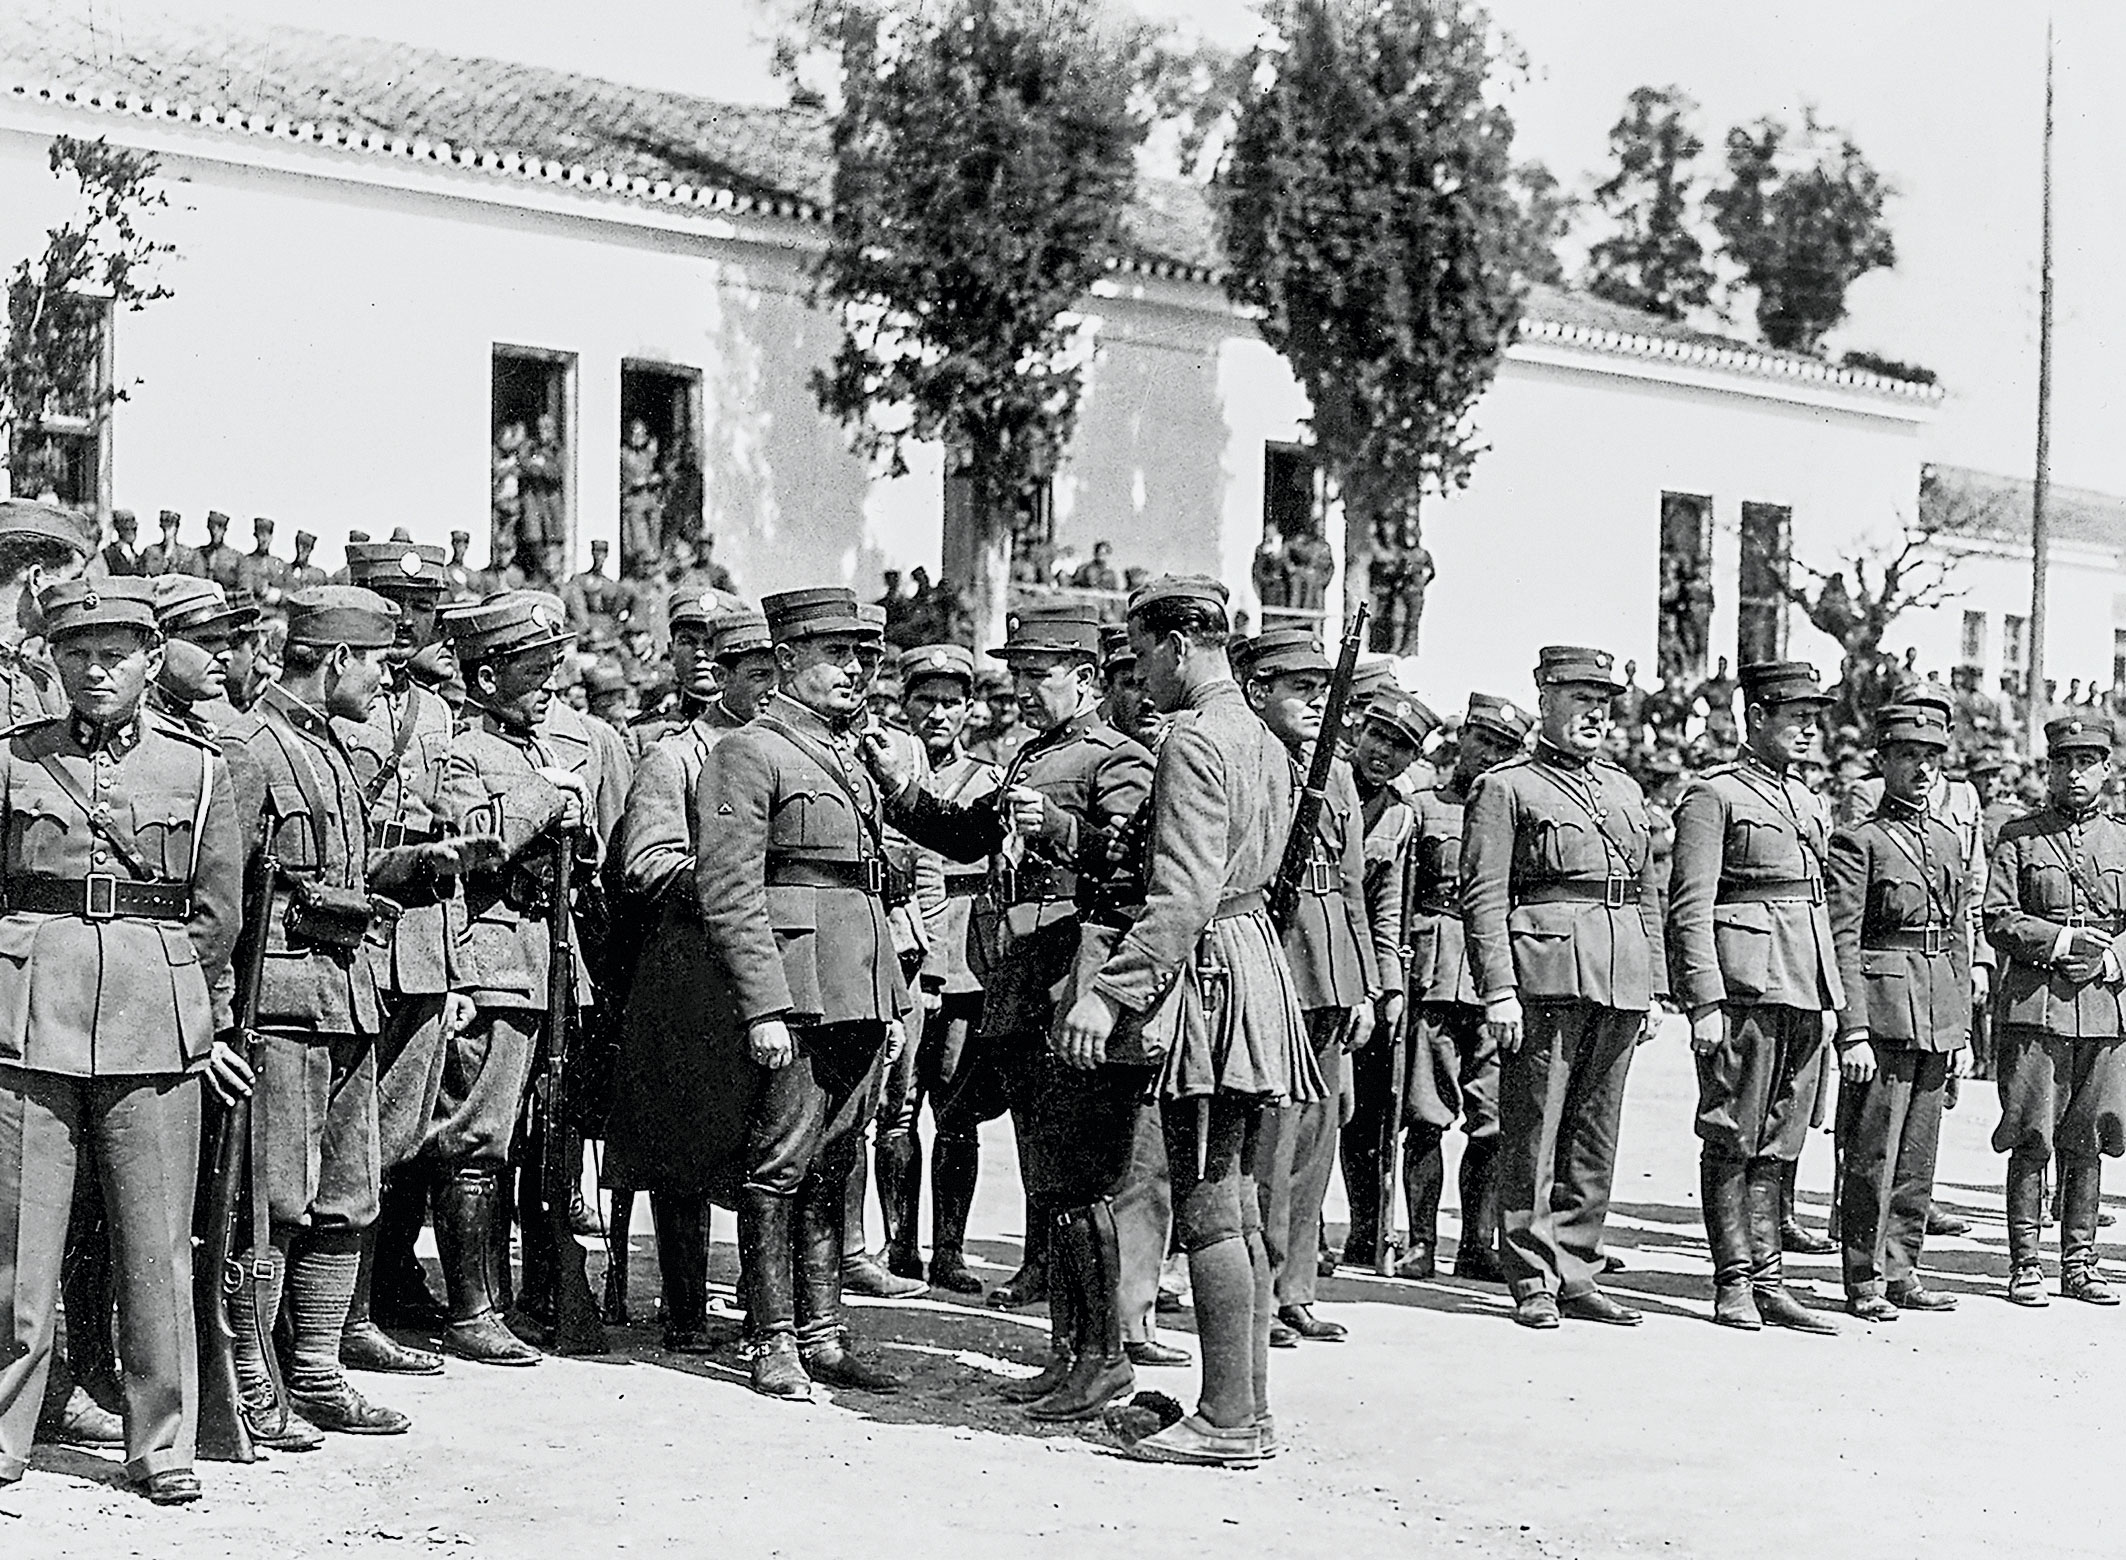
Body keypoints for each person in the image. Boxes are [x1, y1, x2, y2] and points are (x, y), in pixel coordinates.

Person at [1051, 575, 1312, 1468]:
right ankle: (1247, 1410)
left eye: (1142, 654)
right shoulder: (1262, 736)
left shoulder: (1197, 738)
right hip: (1248, 960)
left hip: (1208, 977)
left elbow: (1182, 896)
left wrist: (1109, 993)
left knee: (1207, 1205)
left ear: (1176, 644)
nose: (1141, 674)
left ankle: (1227, 1419)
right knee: (1233, 1200)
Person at [874, 607, 1155, 1417]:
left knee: (1083, 1181)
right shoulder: (1032, 755)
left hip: (1075, 984)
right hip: (1024, 984)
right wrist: (899, 791)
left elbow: (1139, 866)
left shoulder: (1119, 758)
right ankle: (1069, 1354)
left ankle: (1102, 1358)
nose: (1023, 690)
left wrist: (1061, 827)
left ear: (1087, 679)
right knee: (1050, 1179)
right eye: (1019, 675)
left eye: (1040, 675)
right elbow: (968, 837)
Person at [0, 575, 243, 1505]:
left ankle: (160, 1445)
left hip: (154, 1018)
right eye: (77, 655)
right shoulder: (16, 760)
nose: (96, 672)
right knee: (19, 1245)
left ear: (151, 661)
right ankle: (7, 1432)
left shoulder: (200, 769)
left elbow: (216, 912)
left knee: (155, 1248)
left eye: (115, 655)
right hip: (29, 1015)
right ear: (54, 661)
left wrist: (192, 1007)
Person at [693, 586, 915, 1399]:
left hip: (858, 987)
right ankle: (772, 1339)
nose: (854, 670)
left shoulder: (850, 754)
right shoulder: (748, 752)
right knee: (779, 1165)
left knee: (835, 1161)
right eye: (836, 655)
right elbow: (730, 890)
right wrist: (764, 1005)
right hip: (798, 990)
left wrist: (890, 998)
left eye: (860, 656)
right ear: (786, 660)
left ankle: (823, 1334)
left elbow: (867, 885)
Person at [221, 586, 413, 1437]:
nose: (383, 682)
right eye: (375, 665)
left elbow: (341, 871)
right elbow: (222, 901)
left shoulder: (329, 746)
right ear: (337, 660)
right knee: (275, 1200)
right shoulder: (252, 750)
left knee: (347, 1195)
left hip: (346, 1000)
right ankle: (252, 1383)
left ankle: (318, 1374)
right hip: (280, 1008)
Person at [1461, 645, 1666, 1330]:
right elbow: (1484, 897)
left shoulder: (1624, 789)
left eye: (1602, 702)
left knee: (1595, 1133)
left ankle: (1577, 1267)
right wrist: (1498, 989)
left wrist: (1654, 985)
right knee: (1534, 1131)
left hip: (1620, 973)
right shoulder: (1507, 787)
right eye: (1580, 698)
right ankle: (1530, 1274)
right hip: (1544, 975)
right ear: (1544, 699)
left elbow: (1645, 892)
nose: (1594, 714)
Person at [602, 601, 778, 1350]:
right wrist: (735, 885)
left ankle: (770, 1310)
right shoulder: (676, 758)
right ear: (723, 678)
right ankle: (685, 1314)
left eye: (777, 673)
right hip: (694, 973)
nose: (770, 689)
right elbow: (645, 865)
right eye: (756, 675)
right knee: (684, 1149)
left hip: (770, 967)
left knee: (770, 1142)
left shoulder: (791, 753)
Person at [328, 542, 481, 1372]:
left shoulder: (436, 712)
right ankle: (330, 1323)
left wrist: (453, 964)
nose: (414, 624)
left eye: (423, 610)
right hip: (353, 928)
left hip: (418, 938)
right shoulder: (339, 701)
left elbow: (450, 831)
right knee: (340, 1138)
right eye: (396, 605)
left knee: (397, 1137)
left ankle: (367, 1306)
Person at [433, 594, 593, 1366]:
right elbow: (476, 845)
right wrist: (546, 797)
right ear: (487, 677)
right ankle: (473, 1309)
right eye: (533, 675)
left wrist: (575, 820)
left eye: (552, 674)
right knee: (477, 1135)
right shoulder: (460, 752)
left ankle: (518, 1298)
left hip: (549, 958)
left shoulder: (540, 750)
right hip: (494, 960)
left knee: (537, 1136)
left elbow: (581, 858)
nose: (548, 689)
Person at [1666, 662, 1842, 1335]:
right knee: (1732, 1133)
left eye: (1813, 718)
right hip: (1746, 986)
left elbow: (1819, 902)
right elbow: (1691, 906)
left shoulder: (1807, 799)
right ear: (1757, 718)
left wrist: (1831, 996)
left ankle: (1769, 1279)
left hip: (1804, 980)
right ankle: (1733, 1281)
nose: (1808, 729)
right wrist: (1704, 1001)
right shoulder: (1714, 795)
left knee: (1781, 1137)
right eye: (1795, 717)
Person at [1239, 628, 1384, 1347]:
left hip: (1329, 971)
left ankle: (1297, 1289)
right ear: (1257, 691)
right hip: (1274, 962)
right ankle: (1257, 1293)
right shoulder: (1246, 759)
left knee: (1315, 1142)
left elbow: (1352, 885)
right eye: (1301, 689)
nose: (1316, 703)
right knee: (1268, 1145)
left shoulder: (1340, 775)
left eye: (1322, 691)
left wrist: (1364, 985)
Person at [1346, 691, 1519, 1282]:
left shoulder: (1517, 808)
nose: (1490, 755)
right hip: (1435, 975)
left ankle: (1476, 1244)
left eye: (1504, 748)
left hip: (1496, 979)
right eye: (1483, 741)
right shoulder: (1419, 808)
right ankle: (1420, 1241)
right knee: (1425, 1114)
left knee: (1492, 1118)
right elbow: (1394, 899)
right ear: (1460, 740)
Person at [1824, 700, 1970, 1321]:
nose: (1922, 768)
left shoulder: (1947, 840)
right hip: (1883, 1012)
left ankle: (1903, 1269)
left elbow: (1957, 934)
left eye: (1932, 757)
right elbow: (1843, 940)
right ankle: (1865, 1278)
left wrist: (1960, 1029)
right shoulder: (1859, 841)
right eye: (1908, 756)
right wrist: (1853, 1031)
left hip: (1935, 1010)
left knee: (1917, 1155)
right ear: (1882, 761)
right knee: (1872, 1154)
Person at [867, 643, 998, 1295]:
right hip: (903, 955)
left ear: (970, 709)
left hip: (968, 957)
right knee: (897, 1108)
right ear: (905, 703)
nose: (938, 714)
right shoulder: (882, 768)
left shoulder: (989, 780)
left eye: (952, 702)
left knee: (956, 1110)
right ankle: (900, 1247)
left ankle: (950, 1249)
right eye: (926, 701)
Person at [1984, 714, 2126, 1308]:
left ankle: (2079, 1262)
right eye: (2064, 763)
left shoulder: (2121, 838)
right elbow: (1998, 918)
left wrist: (2112, 957)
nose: (2075, 774)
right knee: (2031, 1133)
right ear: (2049, 769)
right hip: (2036, 1007)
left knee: (2087, 1137)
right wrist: (2064, 942)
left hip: (2102, 1007)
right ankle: (2025, 1264)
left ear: (2106, 770)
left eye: (2087, 763)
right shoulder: (2020, 836)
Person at [620, 419, 665, 577]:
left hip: (650, 499)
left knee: (655, 533)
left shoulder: (649, 453)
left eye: (641, 434)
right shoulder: (624, 454)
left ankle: (653, 563)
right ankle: (641, 566)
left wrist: (655, 478)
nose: (638, 437)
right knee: (639, 540)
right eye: (634, 433)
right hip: (634, 500)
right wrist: (633, 483)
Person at [967, 669, 1033, 770]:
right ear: (989, 703)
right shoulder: (976, 736)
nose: (1006, 708)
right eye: (999, 702)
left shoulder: (1029, 738)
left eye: (1012, 701)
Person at [236, 517, 291, 609]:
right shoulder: (246, 562)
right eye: (261, 534)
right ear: (256, 536)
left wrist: (277, 594)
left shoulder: (278, 564)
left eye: (268, 534)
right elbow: (244, 591)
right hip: (252, 610)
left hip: (273, 612)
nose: (264, 539)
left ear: (271, 537)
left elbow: (288, 592)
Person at [142, 510, 203, 579]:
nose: (168, 529)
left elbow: (197, 578)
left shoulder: (188, 553)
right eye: (166, 523)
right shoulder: (151, 552)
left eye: (171, 523)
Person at [199, 512, 243, 594]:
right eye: (213, 527)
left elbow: (242, 590)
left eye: (219, 527)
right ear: (209, 528)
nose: (215, 532)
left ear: (225, 530)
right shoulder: (199, 554)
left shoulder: (235, 557)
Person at [96, 509, 144, 578]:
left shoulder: (136, 557)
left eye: (133, 528)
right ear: (118, 528)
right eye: (126, 528)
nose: (131, 527)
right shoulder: (108, 554)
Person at [288, 529, 328, 594]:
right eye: (299, 545)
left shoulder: (318, 575)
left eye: (306, 546)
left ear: (311, 548)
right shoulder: (286, 570)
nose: (301, 549)